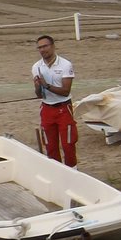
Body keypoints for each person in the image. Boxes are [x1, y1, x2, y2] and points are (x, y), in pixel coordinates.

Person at [31, 34, 78, 166]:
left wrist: (46, 85)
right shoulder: (36, 67)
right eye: (39, 48)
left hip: (64, 108)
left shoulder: (65, 64)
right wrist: (38, 87)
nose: (42, 50)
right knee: (50, 145)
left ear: (53, 46)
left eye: (45, 46)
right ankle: (56, 171)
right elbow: (39, 95)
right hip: (47, 108)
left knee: (68, 144)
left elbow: (65, 91)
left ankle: (73, 171)